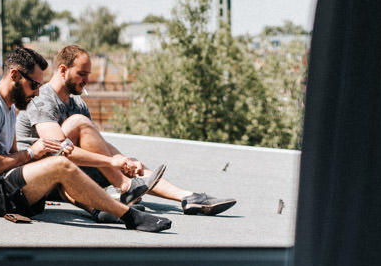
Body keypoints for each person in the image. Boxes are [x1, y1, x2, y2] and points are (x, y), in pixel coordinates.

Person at [16, 44, 237, 216]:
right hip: (41, 178)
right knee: (79, 124)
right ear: (63, 70)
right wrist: (114, 164)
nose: (87, 80)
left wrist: (123, 161)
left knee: (125, 159)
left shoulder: (77, 103)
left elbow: (97, 145)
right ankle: (126, 186)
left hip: (70, 169)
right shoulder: (41, 99)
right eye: (82, 73)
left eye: (89, 74)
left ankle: (188, 197)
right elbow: (63, 150)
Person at [0, 46, 171, 233]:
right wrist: (32, 153)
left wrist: (38, 156)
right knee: (60, 164)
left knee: (58, 157)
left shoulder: (9, 108)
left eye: (39, 86)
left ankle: (102, 208)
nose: (37, 92)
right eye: (33, 85)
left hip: (3, 184)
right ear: (14, 75)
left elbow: (12, 156)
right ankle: (129, 216)